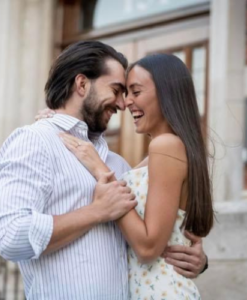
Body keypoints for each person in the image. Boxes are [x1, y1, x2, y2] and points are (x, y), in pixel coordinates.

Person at [0, 41, 208, 300]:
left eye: (131, 92)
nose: (123, 104)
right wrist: (96, 212)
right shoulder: (35, 140)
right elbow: (11, 236)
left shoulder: (116, 165)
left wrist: (198, 259)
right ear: (82, 84)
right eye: (118, 90)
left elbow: (151, 234)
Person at [54, 53, 214, 299]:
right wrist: (58, 117)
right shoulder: (164, 152)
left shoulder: (166, 146)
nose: (126, 102)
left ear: (166, 93)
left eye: (135, 92)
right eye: (125, 93)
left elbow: (148, 247)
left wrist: (100, 170)